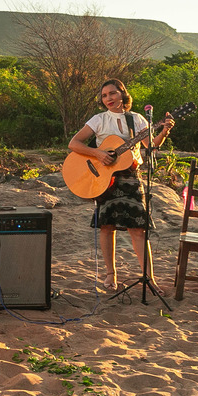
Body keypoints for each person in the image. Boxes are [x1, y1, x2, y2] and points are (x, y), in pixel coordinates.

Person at [68, 78, 174, 293]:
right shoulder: (98, 120)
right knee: (107, 227)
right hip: (105, 178)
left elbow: (151, 147)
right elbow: (74, 143)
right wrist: (98, 153)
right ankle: (110, 274)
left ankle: (149, 278)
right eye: (104, 95)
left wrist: (163, 131)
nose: (108, 98)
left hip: (131, 176)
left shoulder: (137, 119)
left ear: (123, 94)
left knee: (138, 229)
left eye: (113, 93)